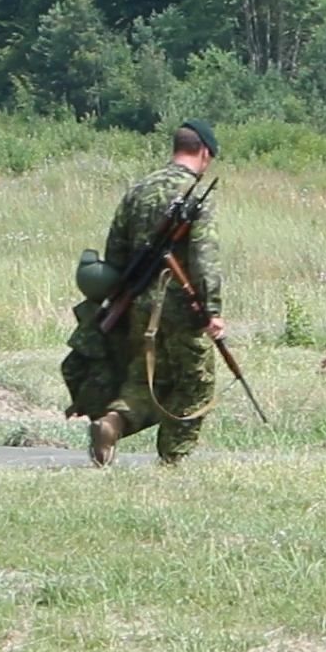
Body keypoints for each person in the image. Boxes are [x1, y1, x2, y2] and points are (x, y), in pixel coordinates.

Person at [87, 119, 226, 467]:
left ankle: (113, 422)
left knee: (148, 377)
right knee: (196, 384)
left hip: (138, 305)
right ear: (205, 153)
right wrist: (212, 311)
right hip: (183, 309)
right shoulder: (193, 197)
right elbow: (204, 260)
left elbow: (114, 253)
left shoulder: (138, 190)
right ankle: (172, 460)